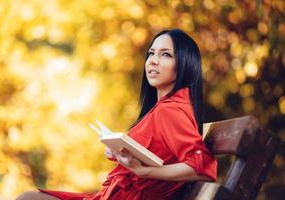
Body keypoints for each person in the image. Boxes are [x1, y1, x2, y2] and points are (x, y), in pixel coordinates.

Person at [16, 29, 218, 200]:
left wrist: (147, 171)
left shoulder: (170, 110)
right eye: (151, 53)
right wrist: (122, 152)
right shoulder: (163, 108)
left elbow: (203, 168)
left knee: (27, 199)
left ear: (185, 64)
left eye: (166, 54)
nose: (153, 61)